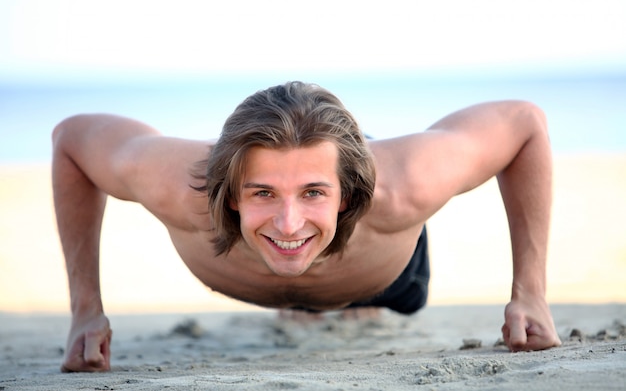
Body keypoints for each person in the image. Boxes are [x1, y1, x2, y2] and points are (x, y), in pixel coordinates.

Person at [52, 81, 561, 373]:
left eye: (314, 193)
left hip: (385, 278)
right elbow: (72, 138)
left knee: (379, 283)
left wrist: (530, 293)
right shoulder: (176, 186)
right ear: (228, 193)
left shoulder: (406, 185)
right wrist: (85, 312)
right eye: (263, 193)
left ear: (348, 194)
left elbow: (523, 122)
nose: (289, 223)